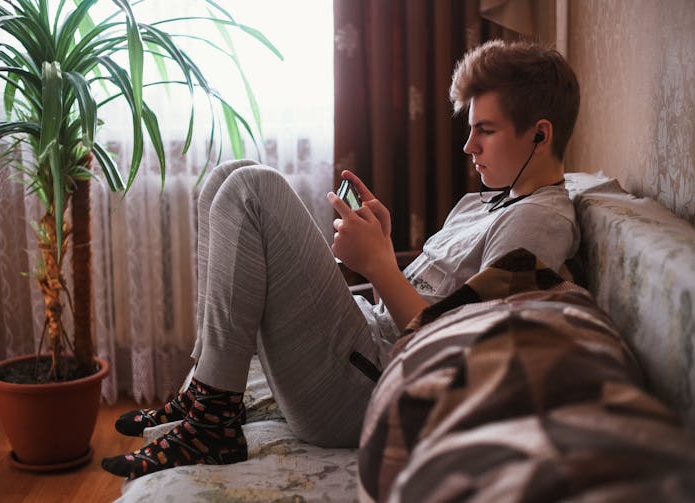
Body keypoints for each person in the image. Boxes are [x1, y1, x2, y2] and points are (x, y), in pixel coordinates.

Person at [102, 38, 581, 479]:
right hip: (364, 345)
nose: (468, 145)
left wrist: (379, 266)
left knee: (253, 190)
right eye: (470, 128)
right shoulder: (485, 202)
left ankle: (212, 426)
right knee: (230, 176)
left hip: (367, 392)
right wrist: (385, 253)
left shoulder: (540, 223)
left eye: (486, 130)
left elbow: (471, 353)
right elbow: (427, 302)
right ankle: (205, 394)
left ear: (540, 136)